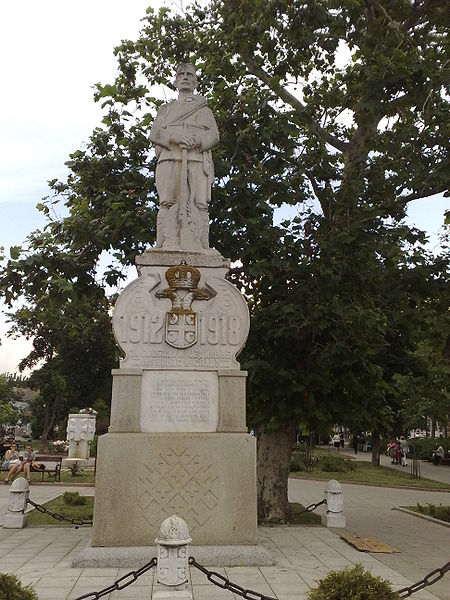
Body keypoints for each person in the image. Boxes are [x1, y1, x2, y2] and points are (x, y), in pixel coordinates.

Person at [150, 63, 220, 251]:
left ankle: (201, 245)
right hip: (169, 157)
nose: (185, 77)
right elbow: (155, 133)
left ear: (196, 81)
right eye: (181, 74)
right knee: (167, 201)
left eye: (189, 74)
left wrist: (196, 140)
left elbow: (214, 135)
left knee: (200, 203)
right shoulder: (165, 110)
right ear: (175, 80)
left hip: (196, 159)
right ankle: (164, 243)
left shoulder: (203, 109)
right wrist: (175, 138)